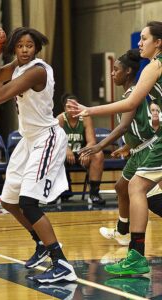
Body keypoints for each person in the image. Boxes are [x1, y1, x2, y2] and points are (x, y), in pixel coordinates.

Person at [0, 27, 77, 283]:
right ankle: (41, 243)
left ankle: (61, 262)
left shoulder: (37, 70)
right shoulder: (16, 66)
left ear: (36, 48)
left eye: (29, 45)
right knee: (9, 202)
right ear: (13, 48)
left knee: (28, 202)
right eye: (19, 46)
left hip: (46, 138)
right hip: (28, 141)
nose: (24, 50)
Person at [67, 21, 162, 275]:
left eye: (144, 38)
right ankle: (131, 246)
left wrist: (90, 110)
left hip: (156, 141)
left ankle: (136, 255)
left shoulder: (156, 65)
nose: (140, 43)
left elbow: (130, 103)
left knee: (136, 186)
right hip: (152, 140)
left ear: (158, 42)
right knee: (137, 189)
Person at [79, 49, 162, 246]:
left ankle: (126, 234)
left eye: (116, 70)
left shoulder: (134, 93)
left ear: (127, 72)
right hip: (137, 151)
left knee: (150, 197)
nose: (112, 73)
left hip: (148, 150)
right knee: (121, 187)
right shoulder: (129, 93)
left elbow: (124, 126)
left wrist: (99, 145)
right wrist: (127, 146)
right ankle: (123, 232)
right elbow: (136, 127)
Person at [57, 93, 105, 204]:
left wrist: (85, 152)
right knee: (53, 155)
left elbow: (92, 141)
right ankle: (57, 193)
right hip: (64, 155)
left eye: (75, 107)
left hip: (81, 155)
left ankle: (94, 194)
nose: (72, 109)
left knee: (98, 154)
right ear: (64, 108)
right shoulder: (60, 119)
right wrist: (66, 149)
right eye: (69, 107)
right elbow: (56, 142)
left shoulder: (85, 118)